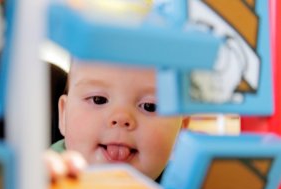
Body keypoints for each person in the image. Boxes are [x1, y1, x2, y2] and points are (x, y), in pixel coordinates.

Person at [44, 58, 186, 182]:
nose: (121, 118)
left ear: (182, 131)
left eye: (150, 106)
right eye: (98, 100)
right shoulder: (44, 176)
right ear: (63, 114)